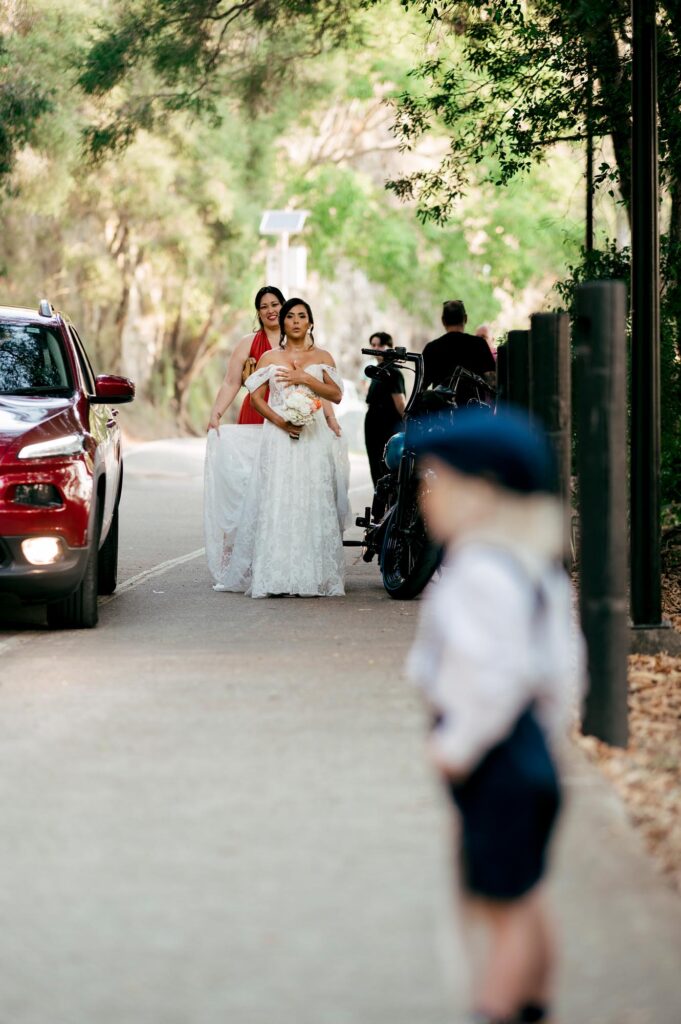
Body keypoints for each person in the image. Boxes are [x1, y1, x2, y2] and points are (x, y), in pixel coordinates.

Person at [406, 407, 585, 1024]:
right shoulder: (534, 567)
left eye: (436, 482)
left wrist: (456, 746)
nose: (427, 498)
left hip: (494, 757)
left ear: (480, 492)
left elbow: (493, 680)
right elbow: (562, 667)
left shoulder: (478, 575)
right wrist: (548, 737)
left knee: (498, 911)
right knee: (526, 894)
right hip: (528, 752)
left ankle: (499, 1007)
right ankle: (537, 1002)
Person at [204, 297, 349, 598]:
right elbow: (255, 397)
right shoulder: (270, 357)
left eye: (302, 316)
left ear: (310, 322)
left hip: (313, 439)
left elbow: (335, 395)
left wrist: (305, 378)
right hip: (279, 438)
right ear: (282, 322)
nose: (296, 321)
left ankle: (314, 576)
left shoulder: (323, 356)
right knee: (278, 499)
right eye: (290, 316)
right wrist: (280, 421)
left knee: (312, 500)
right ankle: (277, 576)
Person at [422, 300, 496, 391]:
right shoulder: (479, 344)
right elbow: (493, 381)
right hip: (473, 405)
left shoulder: (431, 348)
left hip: (441, 405)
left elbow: (421, 386)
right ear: (465, 318)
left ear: (443, 321)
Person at [364, 331, 406, 486]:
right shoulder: (377, 371)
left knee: (387, 466)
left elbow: (400, 403)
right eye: (373, 345)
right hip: (373, 423)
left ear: (389, 347)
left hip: (388, 425)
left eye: (380, 345)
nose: (375, 348)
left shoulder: (394, 372)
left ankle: (390, 505)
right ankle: (380, 502)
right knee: (375, 465)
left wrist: (409, 422)